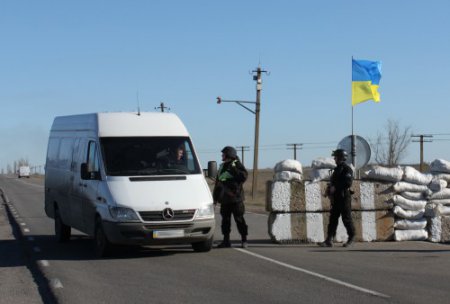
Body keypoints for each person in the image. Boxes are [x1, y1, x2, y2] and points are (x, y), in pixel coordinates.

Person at [213, 146, 249, 248]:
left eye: (223, 154)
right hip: (224, 200)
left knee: (239, 220)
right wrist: (215, 199)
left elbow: (244, 176)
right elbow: (218, 184)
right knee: (225, 221)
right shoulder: (222, 166)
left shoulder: (236, 164)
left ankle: (244, 240)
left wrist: (234, 172)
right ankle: (226, 241)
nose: (222, 155)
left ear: (228, 155)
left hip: (236, 199)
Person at [319, 149, 355, 248]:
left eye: (336, 157)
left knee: (346, 219)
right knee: (333, 219)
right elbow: (334, 182)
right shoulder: (336, 169)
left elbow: (348, 183)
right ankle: (329, 239)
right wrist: (329, 188)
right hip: (336, 198)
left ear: (340, 158)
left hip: (344, 197)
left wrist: (336, 187)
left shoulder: (347, 169)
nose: (334, 159)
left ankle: (351, 237)